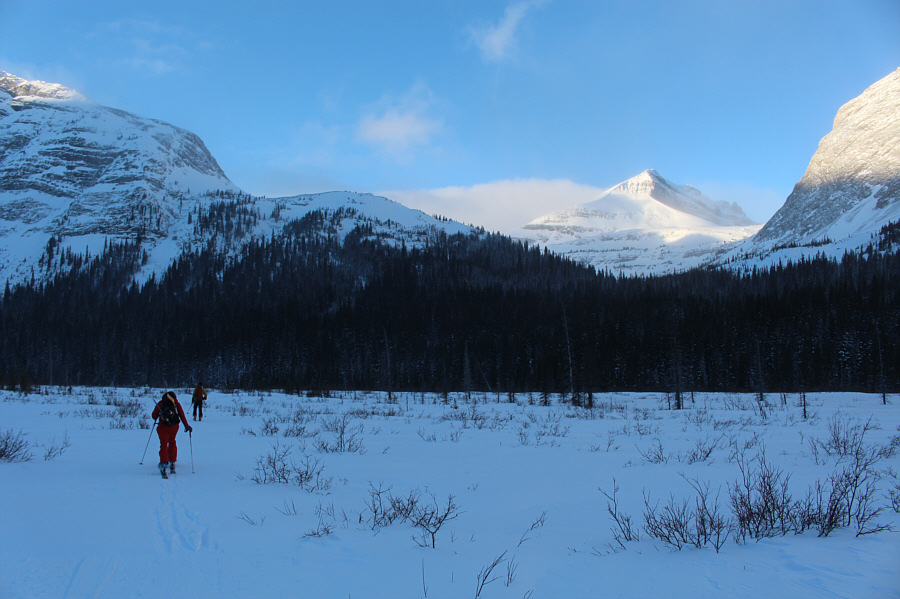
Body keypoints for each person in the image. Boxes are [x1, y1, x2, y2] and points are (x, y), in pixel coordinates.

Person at [151, 391, 192, 478]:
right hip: (174, 427)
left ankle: (164, 464)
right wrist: (186, 425)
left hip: (163, 427)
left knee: (164, 445)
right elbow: (181, 415)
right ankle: (172, 461)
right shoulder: (176, 403)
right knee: (172, 442)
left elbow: (154, 416)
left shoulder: (161, 403)